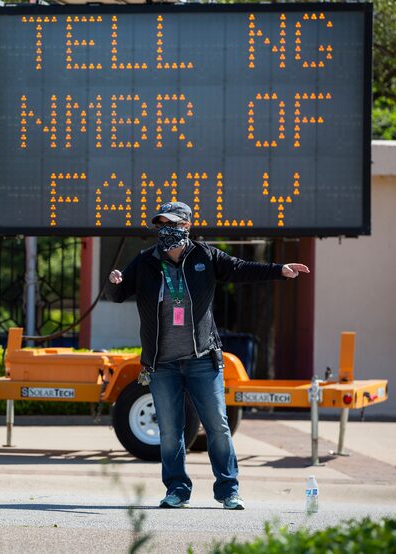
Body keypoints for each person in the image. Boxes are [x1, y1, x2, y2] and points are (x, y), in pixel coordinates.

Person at [108, 202, 310, 510]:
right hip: (161, 364)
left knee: (217, 425)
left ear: (187, 226)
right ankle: (177, 489)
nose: (166, 229)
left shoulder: (205, 256)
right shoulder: (146, 261)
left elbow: (241, 269)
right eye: (160, 223)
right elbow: (119, 294)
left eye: (172, 223)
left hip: (203, 358)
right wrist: (114, 283)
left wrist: (279, 271)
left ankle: (228, 489)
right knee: (171, 430)